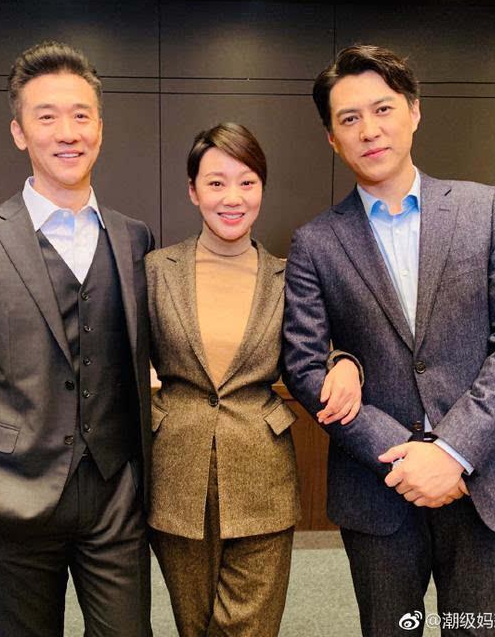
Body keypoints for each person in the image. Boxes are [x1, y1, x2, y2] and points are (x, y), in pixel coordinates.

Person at [282, 45, 495, 636]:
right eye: (349, 118)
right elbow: (303, 365)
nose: (369, 130)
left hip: (486, 479)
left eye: (383, 109)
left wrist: (450, 451)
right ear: (332, 138)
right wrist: (407, 454)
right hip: (379, 489)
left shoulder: (486, 210)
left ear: (414, 110)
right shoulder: (315, 244)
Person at [0, 41, 153, 637]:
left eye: (80, 115)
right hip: (11, 497)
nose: (66, 132)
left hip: (115, 498)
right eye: (46, 116)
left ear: (99, 127)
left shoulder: (134, 238)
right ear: (19, 132)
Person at [145, 122, 362, 637]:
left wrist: (346, 363)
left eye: (247, 182)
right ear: (193, 191)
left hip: (262, 475)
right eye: (216, 183)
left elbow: (316, 347)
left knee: (250, 628)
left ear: (262, 188)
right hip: (176, 474)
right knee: (195, 625)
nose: (233, 198)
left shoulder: (288, 275)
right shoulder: (155, 270)